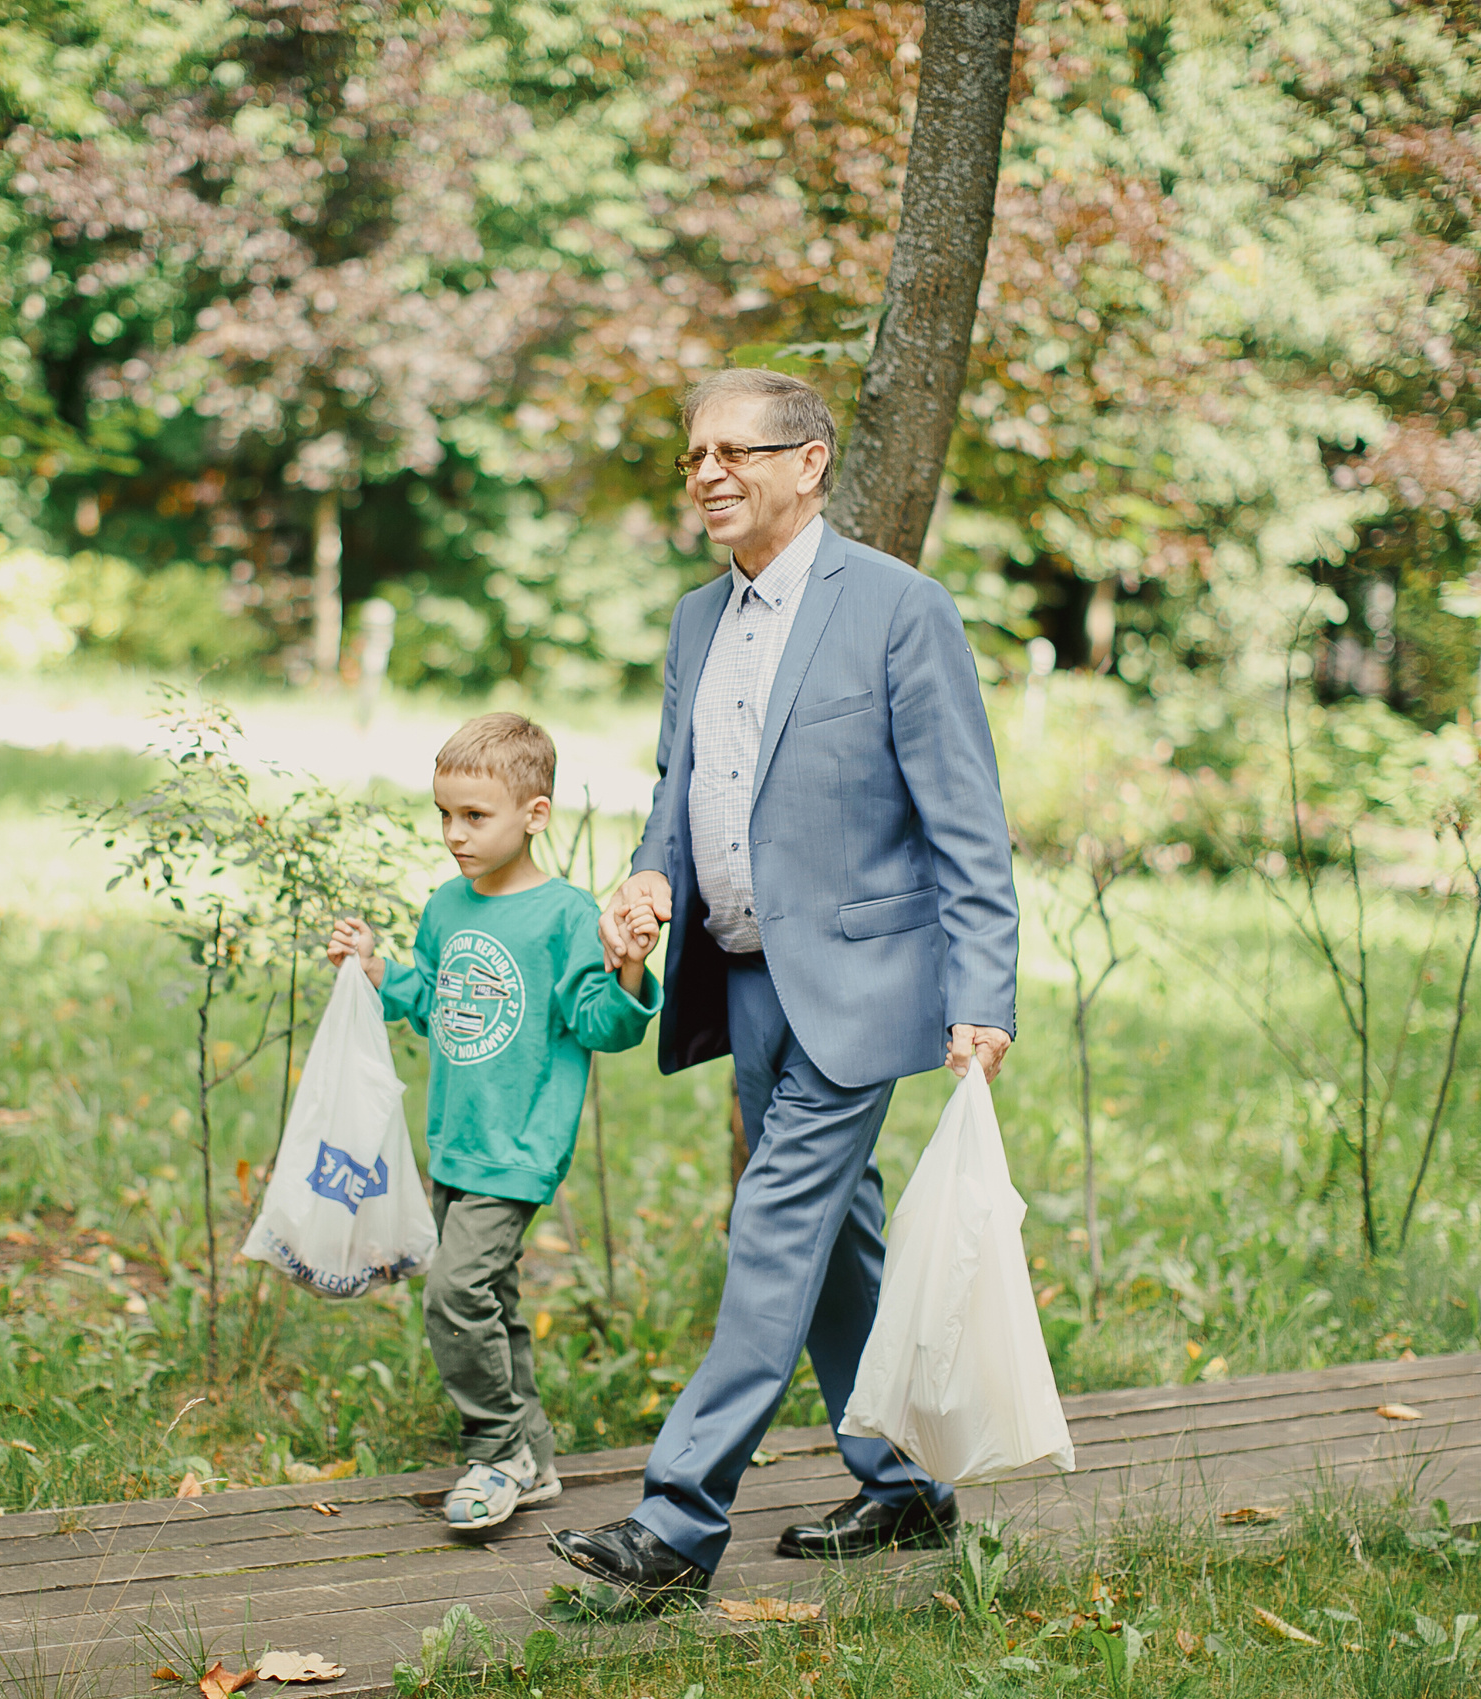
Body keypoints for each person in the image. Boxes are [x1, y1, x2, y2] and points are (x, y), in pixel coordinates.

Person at [547, 368, 1020, 1601]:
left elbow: (967, 821)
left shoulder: (901, 609)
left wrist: (985, 991)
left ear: (807, 463)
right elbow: (677, 788)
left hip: (861, 979)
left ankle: (675, 1524)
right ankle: (904, 1479)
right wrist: (649, 882)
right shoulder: (695, 620)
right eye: (692, 454)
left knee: (771, 1230)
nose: (707, 473)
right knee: (837, 1237)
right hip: (743, 979)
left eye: (734, 452)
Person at [329, 712, 663, 1532]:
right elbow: (433, 999)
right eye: (444, 814)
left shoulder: (563, 916)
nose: (453, 833)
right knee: (493, 1299)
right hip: (456, 1139)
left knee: (454, 1292)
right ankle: (536, 1458)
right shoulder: (446, 906)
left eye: (474, 816)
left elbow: (602, 1025)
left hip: (519, 1147)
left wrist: (627, 964)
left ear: (534, 815)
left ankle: (496, 1449)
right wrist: (378, 973)